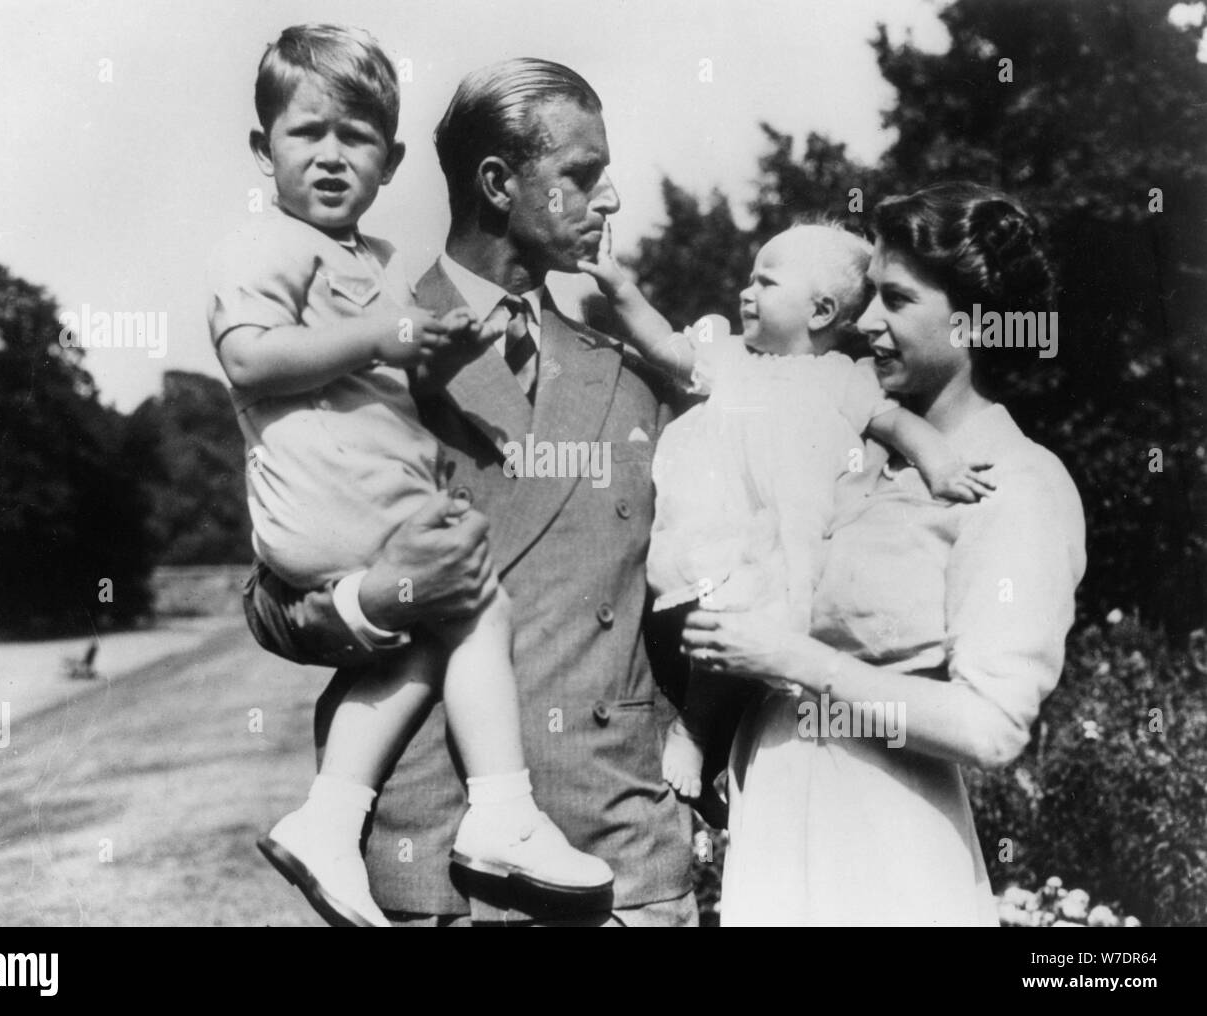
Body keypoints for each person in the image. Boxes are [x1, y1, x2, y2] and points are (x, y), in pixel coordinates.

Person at [241, 56, 698, 926]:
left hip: (619, 857)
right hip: (433, 859)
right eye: (582, 175)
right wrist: (375, 597)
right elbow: (269, 598)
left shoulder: (632, 377)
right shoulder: (360, 346)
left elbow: (686, 583)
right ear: (496, 182)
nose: (609, 201)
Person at [680, 182, 1086, 925]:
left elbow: (990, 725)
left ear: (975, 327)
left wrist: (797, 663)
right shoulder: (846, 449)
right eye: (866, 297)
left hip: (885, 854)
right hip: (772, 825)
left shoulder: (1018, 484)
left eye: (894, 301)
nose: (864, 322)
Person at [579, 220, 993, 799]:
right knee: (715, 625)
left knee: (762, 639)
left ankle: (713, 750)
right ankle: (695, 730)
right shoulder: (732, 358)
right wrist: (619, 288)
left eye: (765, 283)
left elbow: (896, 423)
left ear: (820, 311)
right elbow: (667, 347)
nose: (746, 292)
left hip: (788, 541)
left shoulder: (843, 380)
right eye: (749, 279)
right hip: (721, 524)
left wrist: (940, 462)